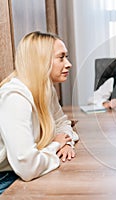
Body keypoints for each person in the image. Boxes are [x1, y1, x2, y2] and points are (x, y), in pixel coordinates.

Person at [0, 31, 79, 194]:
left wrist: (67, 143)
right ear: (41, 60)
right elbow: (27, 167)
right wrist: (57, 144)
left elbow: (62, 123)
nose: (69, 64)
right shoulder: (15, 98)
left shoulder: (46, 89)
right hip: (6, 180)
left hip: (20, 173)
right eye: (61, 57)